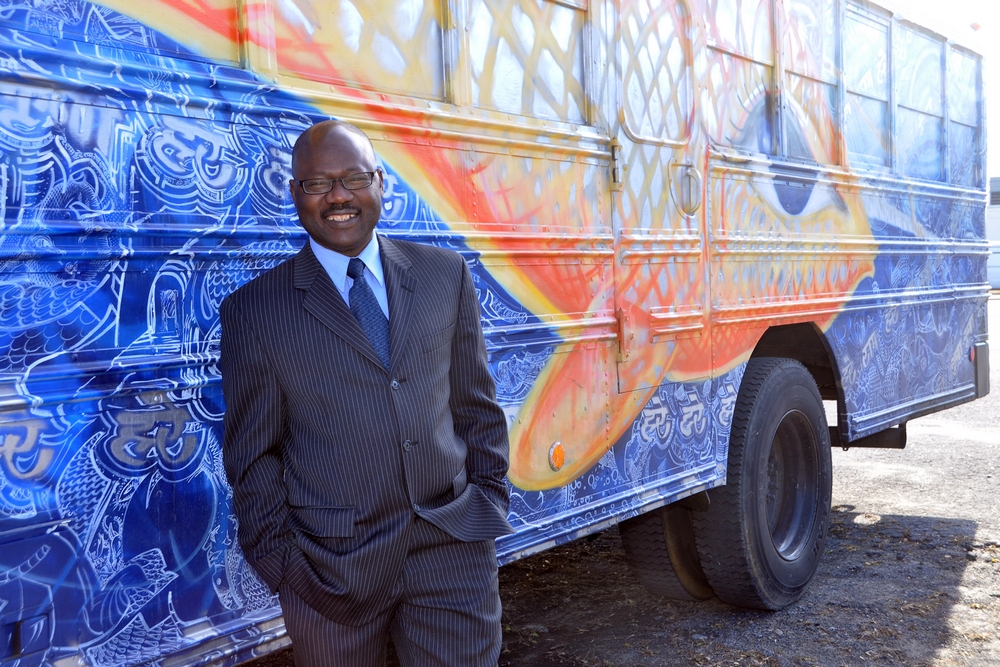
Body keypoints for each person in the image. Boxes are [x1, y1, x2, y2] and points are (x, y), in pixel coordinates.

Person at [219, 119, 514, 667]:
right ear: (295, 194)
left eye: (354, 178)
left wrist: (487, 499)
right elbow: (252, 453)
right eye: (317, 183)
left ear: (381, 182)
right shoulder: (256, 311)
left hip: (451, 549)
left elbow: (475, 405)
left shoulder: (443, 274)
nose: (338, 196)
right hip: (328, 570)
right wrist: (282, 563)